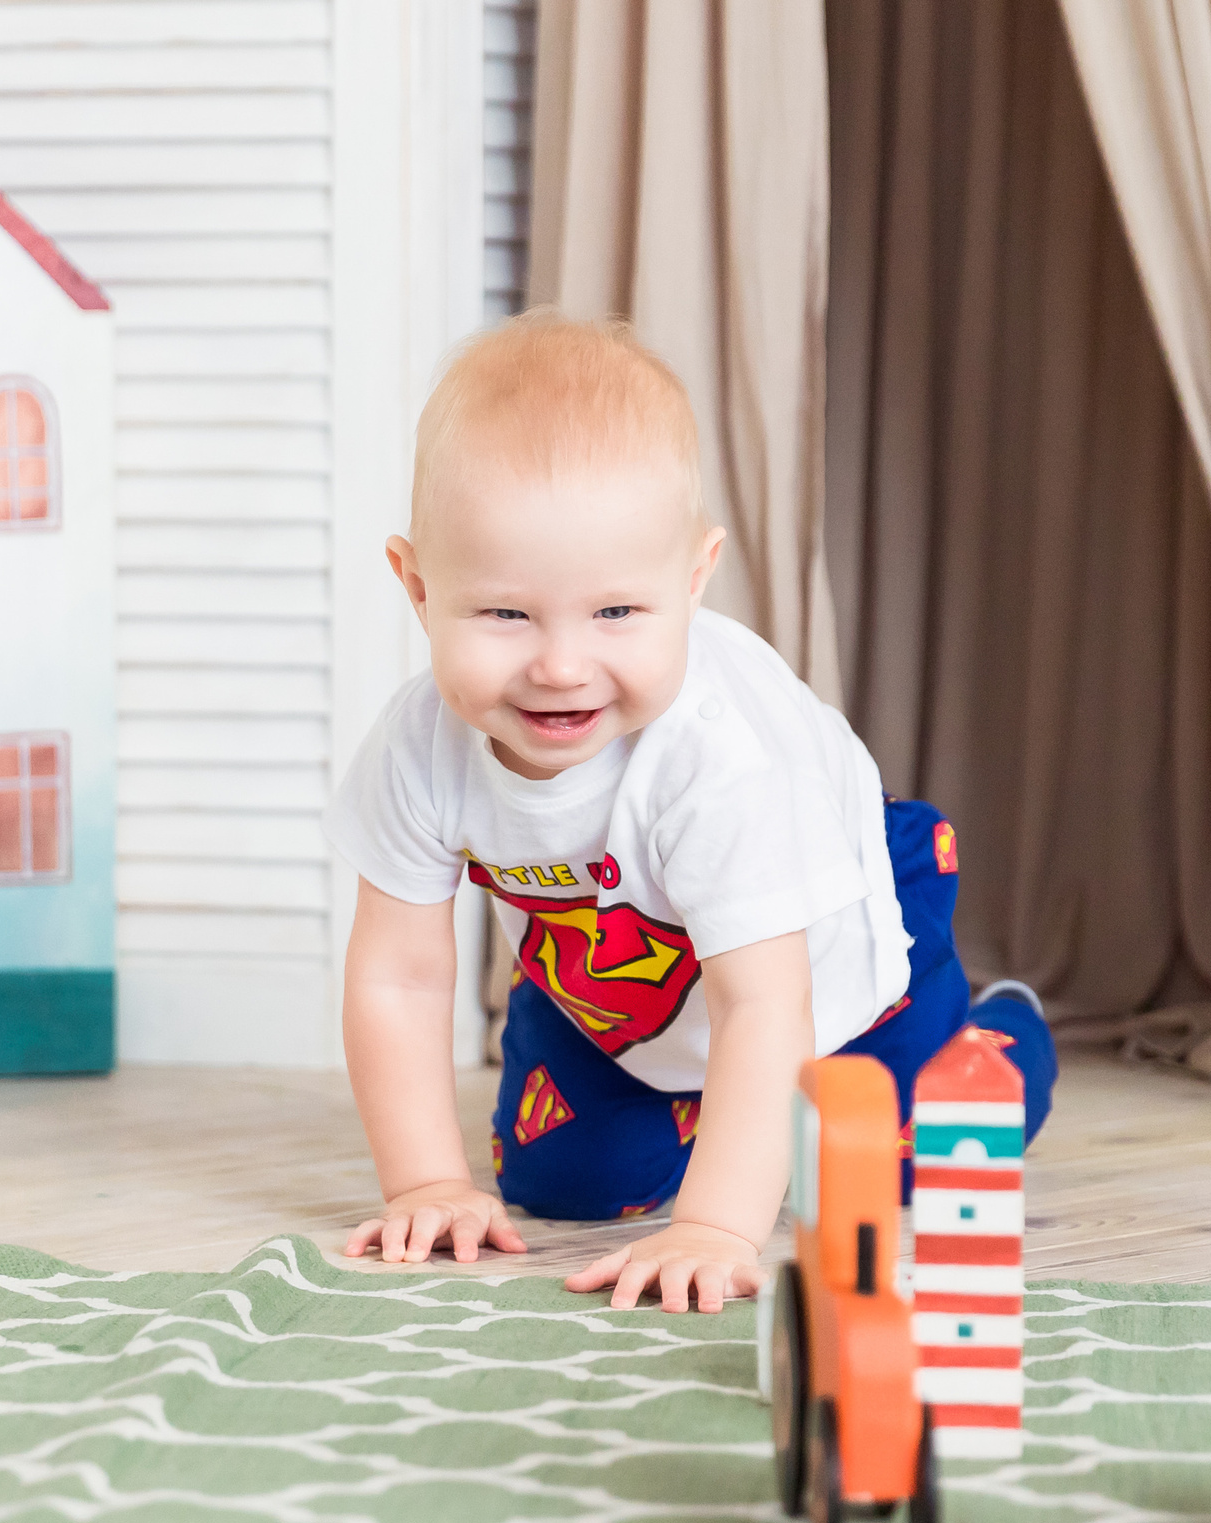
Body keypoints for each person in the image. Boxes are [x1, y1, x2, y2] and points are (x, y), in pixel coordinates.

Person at [327, 310, 1054, 1314]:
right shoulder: (417, 749)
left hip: (826, 950)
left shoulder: (719, 764)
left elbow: (767, 1003)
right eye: (505, 613)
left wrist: (714, 1228)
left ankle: (997, 1036)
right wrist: (426, 1184)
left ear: (694, 578)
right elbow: (399, 977)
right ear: (416, 586)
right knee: (563, 1186)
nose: (560, 665)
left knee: (894, 1167)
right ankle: (684, 1108)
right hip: (623, 980)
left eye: (616, 612)